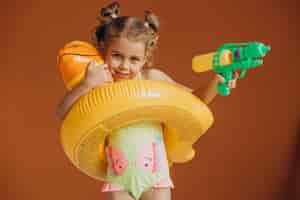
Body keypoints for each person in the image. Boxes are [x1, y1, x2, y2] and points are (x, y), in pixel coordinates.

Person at [56, 2, 237, 200]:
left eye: (134, 59)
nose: (124, 66)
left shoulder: (153, 78)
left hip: (156, 180)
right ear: (102, 49)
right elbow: (62, 113)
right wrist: (85, 85)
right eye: (117, 56)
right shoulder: (99, 85)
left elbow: (194, 101)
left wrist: (215, 82)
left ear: (145, 57)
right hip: (120, 182)